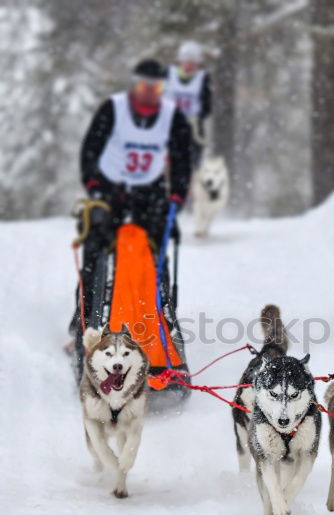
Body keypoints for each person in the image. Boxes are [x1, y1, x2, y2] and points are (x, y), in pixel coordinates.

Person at [73, 58, 193, 336]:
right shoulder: (113, 109)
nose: (149, 90)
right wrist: (93, 186)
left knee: (156, 254)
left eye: (157, 86)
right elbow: (91, 148)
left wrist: (176, 196)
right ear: (135, 84)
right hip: (109, 187)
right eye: (144, 84)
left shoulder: (172, 116)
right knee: (95, 249)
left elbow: (182, 158)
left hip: (148, 191)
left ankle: (159, 323)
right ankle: (83, 324)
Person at [165, 41, 212, 166]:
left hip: (192, 128)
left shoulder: (203, 78)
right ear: (180, 61)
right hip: (169, 125)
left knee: (191, 164)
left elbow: (207, 106)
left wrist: (197, 117)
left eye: (193, 63)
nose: (189, 66)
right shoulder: (168, 75)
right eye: (186, 62)